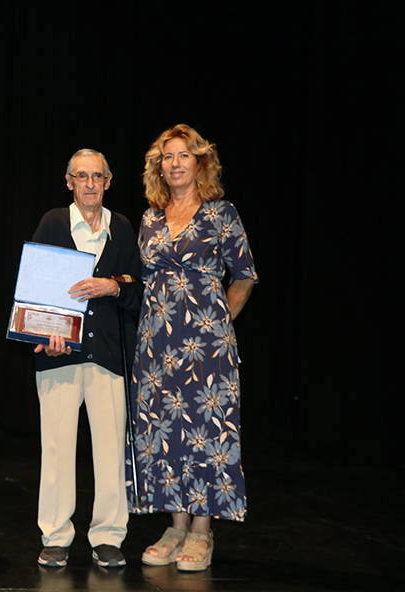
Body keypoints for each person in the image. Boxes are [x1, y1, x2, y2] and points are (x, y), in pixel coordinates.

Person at [130, 124, 257, 571]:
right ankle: (175, 526)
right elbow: (143, 279)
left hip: (206, 346)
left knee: (206, 432)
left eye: (185, 155)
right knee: (163, 432)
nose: (176, 163)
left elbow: (243, 276)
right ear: (159, 167)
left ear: (200, 162)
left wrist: (219, 324)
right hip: (156, 344)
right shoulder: (149, 217)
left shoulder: (221, 213)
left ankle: (202, 533)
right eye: (168, 156)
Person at [31, 149, 141, 568]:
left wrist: (113, 286)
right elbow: (35, 287)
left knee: (111, 448)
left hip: (110, 356)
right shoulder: (53, 222)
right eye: (82, 176)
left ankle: (108, 536)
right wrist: (47, 333)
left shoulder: (124, 228)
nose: (90, 184)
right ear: (68, 181)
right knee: (57, 448)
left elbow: (139, 289)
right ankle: (56, 535)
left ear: (109, 181)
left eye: (98, 176)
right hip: (59, 356)